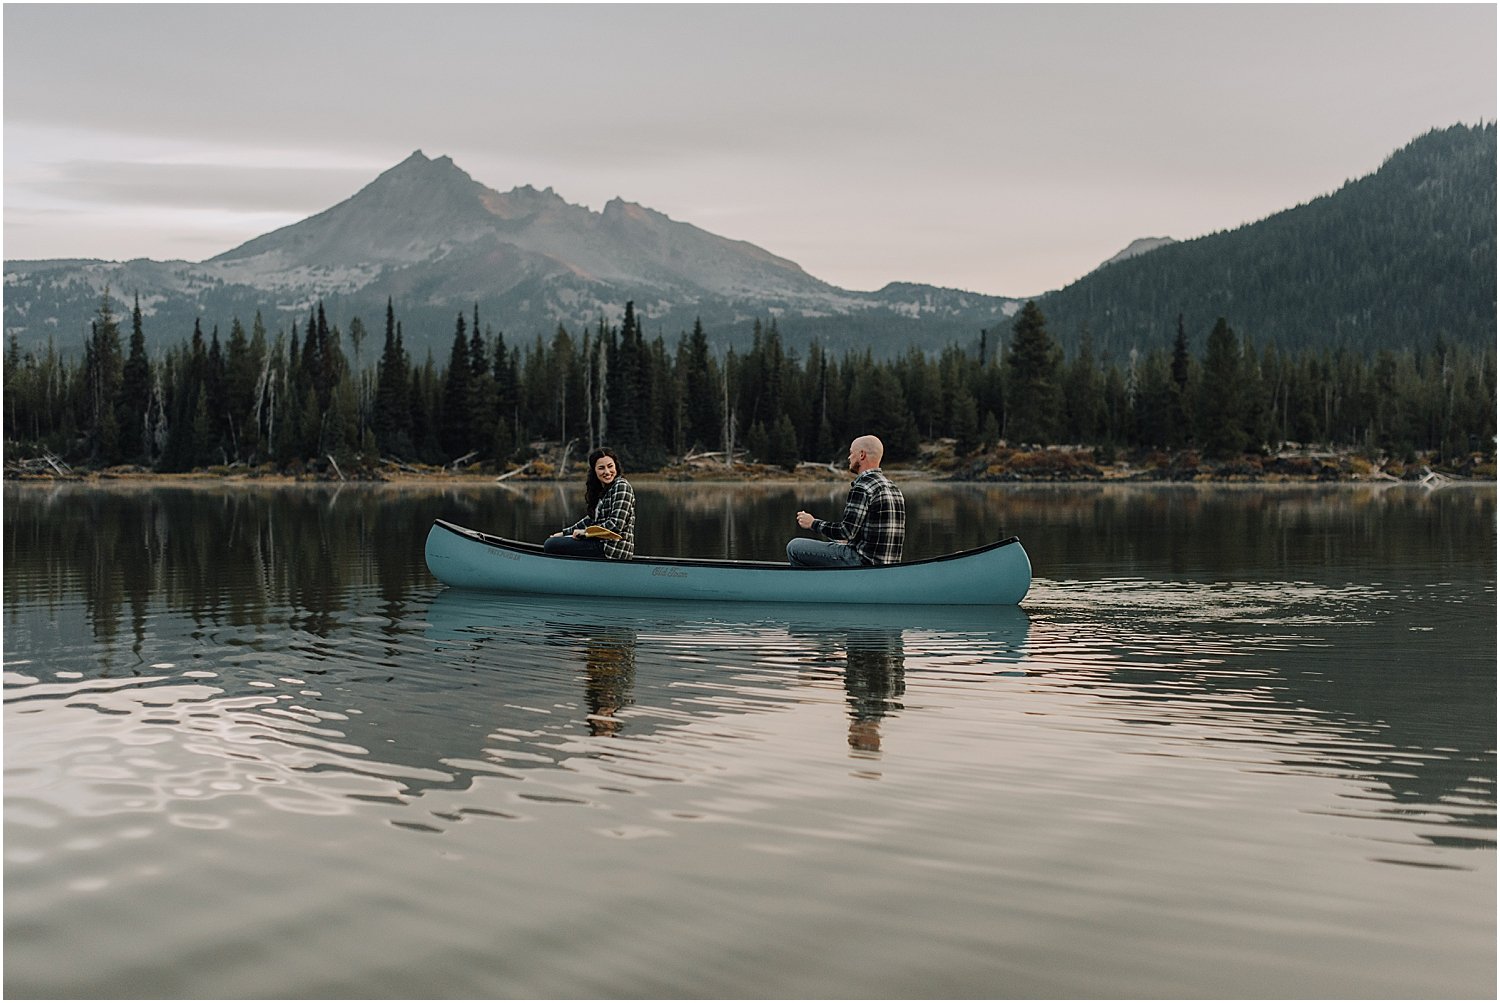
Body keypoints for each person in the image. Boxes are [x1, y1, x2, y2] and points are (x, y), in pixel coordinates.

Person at [787, 434, 905, 567]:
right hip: (889, 566)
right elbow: (868, 534)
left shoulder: (862, 487)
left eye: (851, 453)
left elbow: (846, 532)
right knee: (838, 544)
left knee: (794, 547)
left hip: (863, 563)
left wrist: (813, 523)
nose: (849, 458)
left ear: (861, 455)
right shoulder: (893, 488)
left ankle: (812, 586)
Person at [544, 447, 636, 559]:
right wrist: (564, 533)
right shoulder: (604, 490)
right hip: (600, 543)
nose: (607, 472)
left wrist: (585, 533)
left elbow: (616, 525)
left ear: (616, 466)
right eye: (601, 468)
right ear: (595, 471)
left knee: (551, 545)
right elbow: (591, 519)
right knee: (554, 541)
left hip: (613, 549)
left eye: (610, 466)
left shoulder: (621, 486)